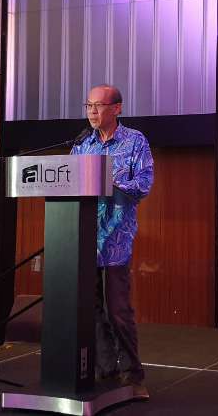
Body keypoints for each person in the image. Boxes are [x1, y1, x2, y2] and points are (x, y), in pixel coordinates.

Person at [70, 84, 154, 401]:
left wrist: (109, 181)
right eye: (88, 105)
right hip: (83, 237)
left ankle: (132, 375)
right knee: (90, 310)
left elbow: (143, 184)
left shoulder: (135, 141)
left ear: (117, 108)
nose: (92, 111)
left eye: (99, 105)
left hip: (116, 238)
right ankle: (106, 370)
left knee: (118, 311)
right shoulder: (82, 144)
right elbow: (69, 182)